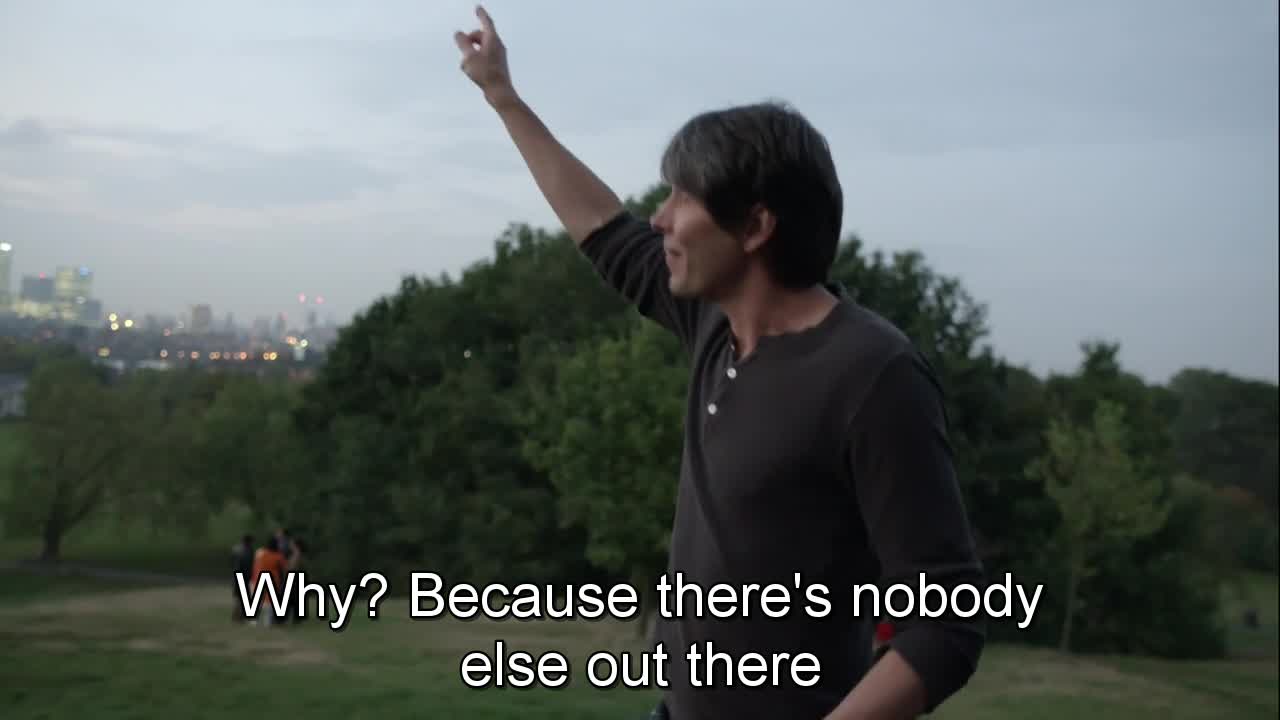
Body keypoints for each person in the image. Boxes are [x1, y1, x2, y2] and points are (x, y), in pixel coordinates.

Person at [454, 7, 986, 719]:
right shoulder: (713, 320)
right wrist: (503, 97)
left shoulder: (871, 374)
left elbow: (947, 626)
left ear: (757, 226)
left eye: (684, 197)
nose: (660, 218)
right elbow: (603, 229)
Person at [250, 537, 289, 626]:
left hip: (258, 578)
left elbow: (255, 563)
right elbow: (285, 568)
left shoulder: (261, 553)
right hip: (273, 580)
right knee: (270, 602)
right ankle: (268, 622)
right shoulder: (279, 556)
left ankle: (253, 620)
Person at [230, 534, 254, 622]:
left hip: (236, 574)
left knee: (238, 596)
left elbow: (231, 562)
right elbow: (250, 564)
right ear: (248, 542)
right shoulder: (249, 551)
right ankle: (239, 616)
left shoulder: (235, 549)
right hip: (244, 575)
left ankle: (236, 616)